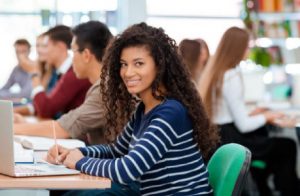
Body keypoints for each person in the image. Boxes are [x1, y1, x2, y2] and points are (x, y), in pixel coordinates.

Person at [47, 22, 219, 195]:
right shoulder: (143, 110)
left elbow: (127, 170)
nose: (128, 73)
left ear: (160, 65)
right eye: (123, 64)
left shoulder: (171, 112)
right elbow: (116, 151)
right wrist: (78, 152)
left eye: (138, 63)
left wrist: (79, 162)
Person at [199, 26, 299, 196]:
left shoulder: (217, 73)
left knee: (270, 139)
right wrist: (267, 116)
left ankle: (264, 186)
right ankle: (287, 190)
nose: (248, 50)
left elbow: (226, 114)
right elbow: (244, 125)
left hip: (221, 136)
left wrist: (258, 114)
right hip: (232, 137)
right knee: (286, 146)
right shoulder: (232, 76)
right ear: (237, 48)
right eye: (247, 46)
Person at [14, 21, 112, 145]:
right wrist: (26, 126)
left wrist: (12, 129)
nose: (41, 52)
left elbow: (62, 126)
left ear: (86, 55)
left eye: (73, 51)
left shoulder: (104, 89)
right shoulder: (101, 84)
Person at [14, 25, 91, 119]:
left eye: (45, 46)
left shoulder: (74, 74)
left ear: (60, 47)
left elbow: (46, 110)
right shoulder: (62, 72)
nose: (40, 51)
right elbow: (46, 104)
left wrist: (34, 73)